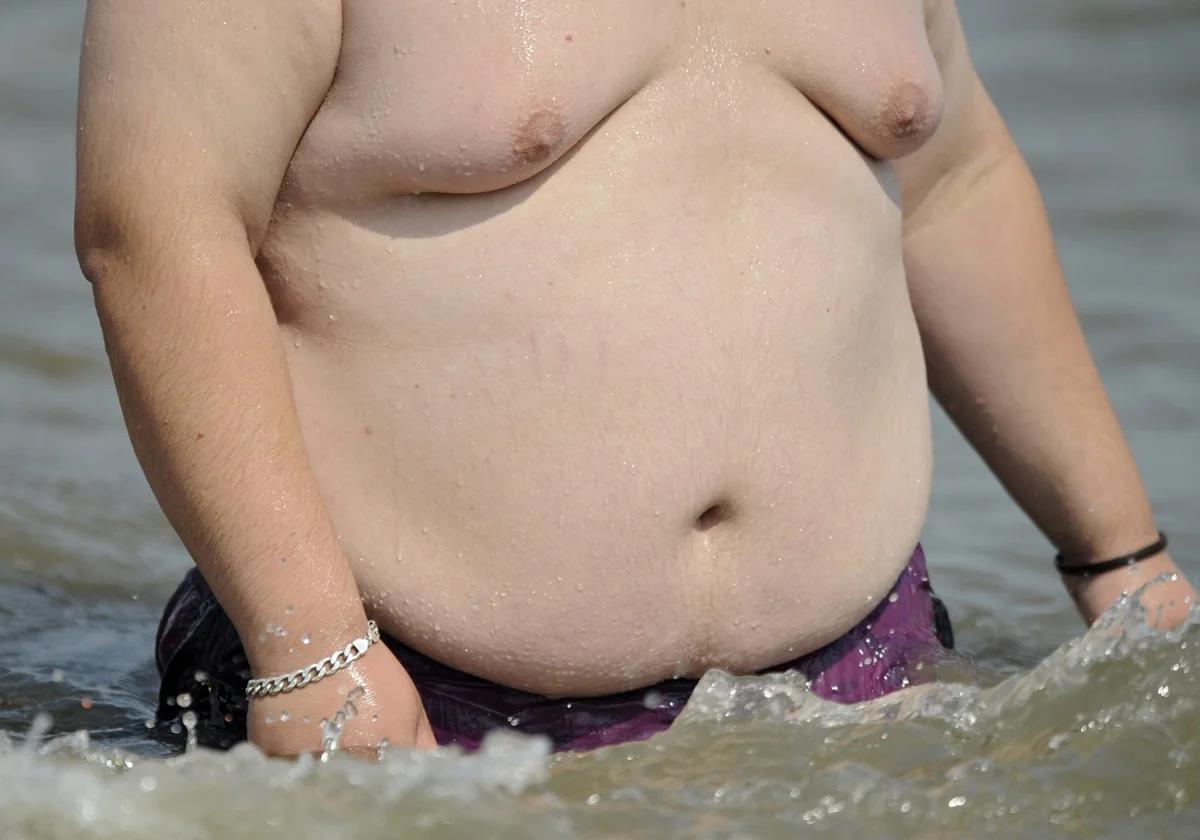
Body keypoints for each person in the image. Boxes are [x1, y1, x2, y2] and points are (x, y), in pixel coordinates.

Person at [75, 0, 1195, 757]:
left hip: (859, 677)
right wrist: (306, 645)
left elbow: (955, 184)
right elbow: (156, 227)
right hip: (407, 689)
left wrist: (1124, 558)